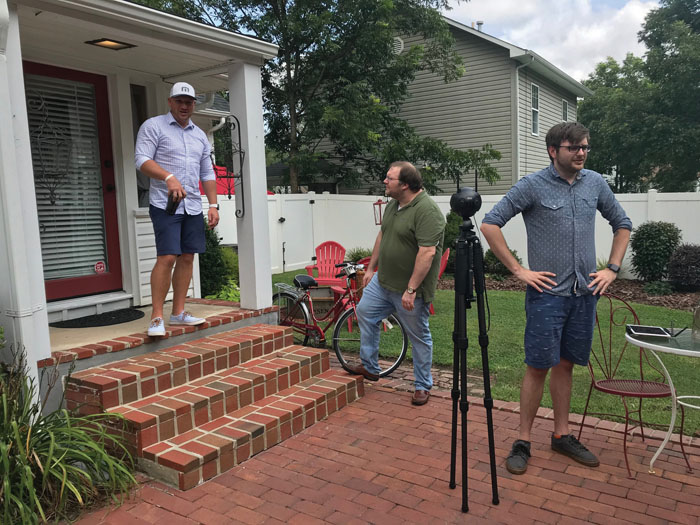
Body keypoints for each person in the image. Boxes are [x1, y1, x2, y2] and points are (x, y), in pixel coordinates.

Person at [480, 122, 632, 474]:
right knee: (537, 366)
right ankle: (523, 439)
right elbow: (490, 223)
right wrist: (519, 270)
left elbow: (621, 223)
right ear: (553, 150)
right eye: (573, 147)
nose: (581, 153)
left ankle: (562, 435)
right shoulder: (532, 185)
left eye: (585, 147)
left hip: (584, 293)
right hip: (547, 295)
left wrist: (611, 268)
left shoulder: (595, 183)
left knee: (566, 365)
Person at [348, 161, 445, 406]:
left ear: (405, 185)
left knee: (419, 336)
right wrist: (371, 268)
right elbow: (384, 234)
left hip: (410, 290)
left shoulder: (427, 211)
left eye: (389, 178)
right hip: (383, 283)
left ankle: (423, 385)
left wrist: (411, 289)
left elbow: (427, 253)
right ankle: (370, 366)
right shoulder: (394, 205)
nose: (384, 181)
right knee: (365, 313)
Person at [135, 82, 220, 337]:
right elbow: (141, 160)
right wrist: (169, 177)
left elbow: (207, 172)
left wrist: (213, 204)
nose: (184, 106)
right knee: (168, 257)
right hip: (165, 204)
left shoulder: (200, 136)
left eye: (189, 102)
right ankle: (157, 317)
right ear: (170, 102)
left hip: (193, 205)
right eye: (180, 101)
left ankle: (179, 313)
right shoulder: (153, 126)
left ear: (194, 104)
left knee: (187, 257)